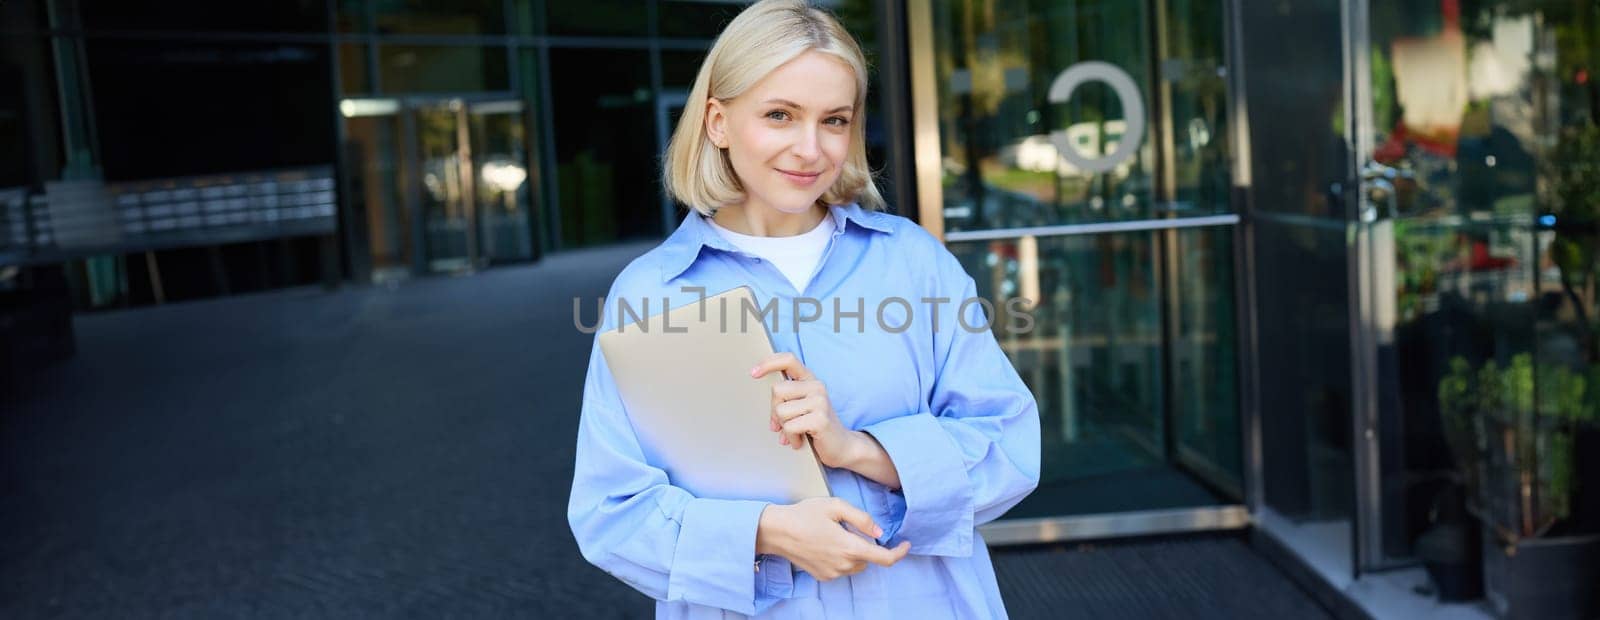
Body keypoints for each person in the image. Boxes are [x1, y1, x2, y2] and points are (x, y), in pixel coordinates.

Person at [567, 1, 1040, 617]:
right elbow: (610, 511)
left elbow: (1008, 443)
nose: (810, 149)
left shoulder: (913, 264)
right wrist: (768, 533)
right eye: (780, 115)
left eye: (834, 120)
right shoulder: (651, 291)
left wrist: (858, 449)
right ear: (717, 121)